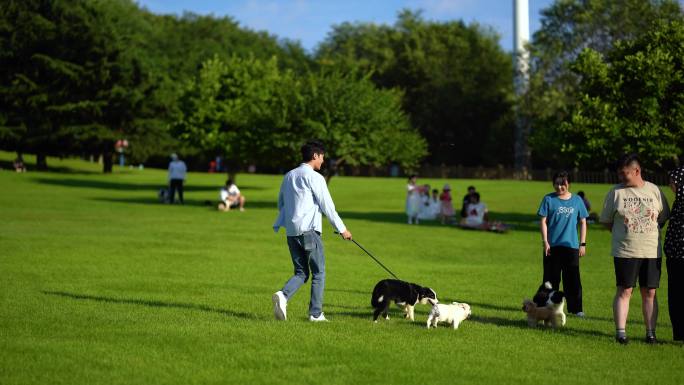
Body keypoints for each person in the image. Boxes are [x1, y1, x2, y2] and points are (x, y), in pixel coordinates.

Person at [272, 140, 352, 322]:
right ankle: (315, 314)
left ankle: (283, 295)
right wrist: (343, 230)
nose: (323, 161)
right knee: (319, 272)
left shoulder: (289, 175)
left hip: (291, 232)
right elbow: (328, 207)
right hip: (309, 231)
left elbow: (280, 204)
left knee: (301, 272)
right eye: (322, 157)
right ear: (315, 155)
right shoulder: (316, 178)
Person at [599, 154, 669, 344]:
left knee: (650, 292)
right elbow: (606, 221)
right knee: (625, 290)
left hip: (651, 251)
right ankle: (621, 333)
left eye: (624, 174)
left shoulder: (655, 191)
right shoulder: (615, 193)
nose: (621, 178)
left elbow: (662, 218)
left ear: (637, 171)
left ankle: (651, 333)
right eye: (619, 174)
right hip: (625, 252)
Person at [537, 171, 588, 318]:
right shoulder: (548, 199)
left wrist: (582, 244)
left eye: (562, 184)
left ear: (569, 184)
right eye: (556, 184)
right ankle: (544, 306)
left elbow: (583, 222)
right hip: (552, 247)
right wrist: (545, 242)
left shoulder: (577, 200)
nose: (559, 187)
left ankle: (576, 309)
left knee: (572, 279)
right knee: (550, 279)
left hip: (571, 246)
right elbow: (543, 221)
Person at [664, 166, 684, 342]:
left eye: (673, 182)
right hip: (675, 257)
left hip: (678, 257)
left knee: (677, 295)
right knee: (676, 296)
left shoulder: (680, 205)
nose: (671, 186)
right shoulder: (678, 203)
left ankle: (680, 332)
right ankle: (679, 332)